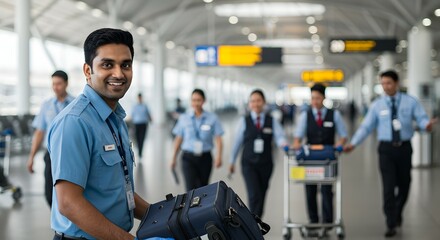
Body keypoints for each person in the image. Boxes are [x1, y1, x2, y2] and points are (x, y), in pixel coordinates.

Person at [47, 28, 150, 240]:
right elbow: (68, 203)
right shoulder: (75, 122)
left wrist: (162, 214)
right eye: (107, 65)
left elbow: (119, 189)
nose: (119, 74)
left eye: (126, 65)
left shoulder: (115, 119)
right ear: (87, 70)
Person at [344, 70, 437, 238]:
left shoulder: (410, 102)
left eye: (389, 83)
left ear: (396, 83)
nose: (386, 87)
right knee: (388, 187)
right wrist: (353, 143)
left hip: (404, 148)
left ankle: (397, 210)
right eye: (383, 84)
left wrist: (426, 126)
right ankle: (391, 222)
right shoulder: (377, 105)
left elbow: (422, 118)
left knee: (405, 184)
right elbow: (366, 127)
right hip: (386, 150)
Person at [292, 83, 347, 231]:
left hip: (328, 159)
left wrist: (339, 145)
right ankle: (313, 220)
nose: (314, 101)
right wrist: (296, 145)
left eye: (317, 98)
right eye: (312, 98)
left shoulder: (334, 115)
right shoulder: (305, 115)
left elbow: (343, 135)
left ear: (323, 98)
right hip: (310, 159)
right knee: (310, 189)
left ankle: (328, 223)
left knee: (326, 190)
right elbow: (298, 137)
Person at [229, 89, 287, 218]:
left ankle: (257, 221)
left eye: (258, 101)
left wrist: (285, 145)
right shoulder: (244, 121)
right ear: (249, 104)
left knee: (262, 193)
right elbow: (237, 142)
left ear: (264, 102)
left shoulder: (272, 121)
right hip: (248, 164)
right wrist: (231, 161)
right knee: (254, 194)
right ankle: (253, 225)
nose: (255, 104)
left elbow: (280, 137)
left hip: (266, 164)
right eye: (252, 101)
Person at [26, 70, 74, 207]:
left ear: (66, 84)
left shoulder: (75, 104)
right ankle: (59, 220)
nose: (55, 87)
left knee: (71, 190)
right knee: (49, 192)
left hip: (70, 154)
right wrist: (31, 157)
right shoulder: (46, 105)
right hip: (51, 154)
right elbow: (40, 132)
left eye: (58, 84)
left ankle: (70, 219)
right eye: (53, 84)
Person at [170, 89, 224, 191]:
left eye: (199, 100)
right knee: (190, 189)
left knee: (203, 189)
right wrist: (173, 158)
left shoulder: (212, 118)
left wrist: (219, 156)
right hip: (188, 158)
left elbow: (218, 139)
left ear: (204, 101)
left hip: (205, 158)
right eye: (193, 100)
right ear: (191, 101)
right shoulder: (184, 118)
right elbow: (178, 138)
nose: (196, 103)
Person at [131, 93, 152, 158]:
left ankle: (140, 152)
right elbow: (132, 116)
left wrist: (151, 120)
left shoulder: (145, 106)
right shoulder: (135, 106)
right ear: (138, 98)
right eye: (139, 98)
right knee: (137, 138)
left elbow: (148, 114)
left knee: (142, 138)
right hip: (136, 124)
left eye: (140, 97)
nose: (140, 99)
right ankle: (139, 149)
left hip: (144, 124)